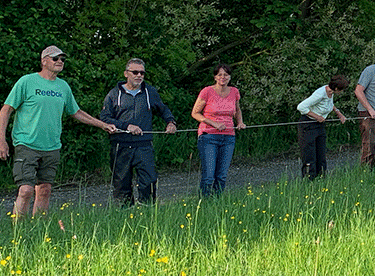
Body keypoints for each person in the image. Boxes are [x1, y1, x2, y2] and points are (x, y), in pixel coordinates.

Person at [0, 46, 117, 218]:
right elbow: (6, 110)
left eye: (62, 59)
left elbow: (75, 112)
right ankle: (19, 232)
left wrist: (102, 124)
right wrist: (1, 140)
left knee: (45, 190)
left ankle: (39, 229)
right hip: (26, 144)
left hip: (52, 146)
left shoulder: (63, 86)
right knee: (25, 190)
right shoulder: (27, 82)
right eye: (55, 58)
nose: (60, 61)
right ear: (44, 61)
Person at [100, 58, 177, 206]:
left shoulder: (150, 92)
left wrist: (170, 122)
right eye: (135, 72)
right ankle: (125, 215)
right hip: (120, 146)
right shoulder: (114, 94)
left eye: (142, 73)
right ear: (126, 73)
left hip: (144, 145)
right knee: (121, 184)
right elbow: (104, 118)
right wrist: (127, 126)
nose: (139, 76)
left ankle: (147, 213)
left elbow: (163, 109)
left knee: (148, 181)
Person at [191, 63, 246, 196]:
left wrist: (240, 122)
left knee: (221, 175)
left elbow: (237, 110)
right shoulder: (207, 91)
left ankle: (218, 202)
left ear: (230, 77)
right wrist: (213, 124)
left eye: (226, 75)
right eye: (220, 74)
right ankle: (204, 202)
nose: (223, 77)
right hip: (209, 136)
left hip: (228, 137)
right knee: (209, 176)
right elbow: (195, 113)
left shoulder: (234, 92)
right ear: (215, 77)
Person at [295, 75, 350, 180]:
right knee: (309, 156)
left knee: (321, 155)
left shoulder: (330, 92)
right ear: (337, 88)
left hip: (319, 126)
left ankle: (321, 179)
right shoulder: (320, 94)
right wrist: (317, 117)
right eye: (342, 89)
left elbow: (330, 104)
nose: (342, 92)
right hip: (308, 125)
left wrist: (339, 113)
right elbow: (301, 107)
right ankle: (308, 181)